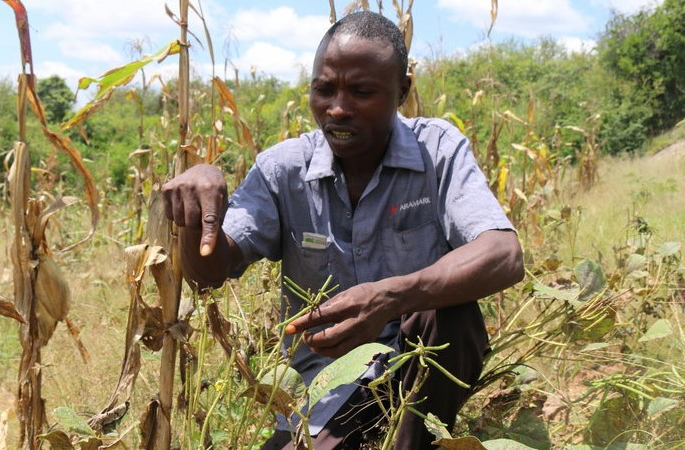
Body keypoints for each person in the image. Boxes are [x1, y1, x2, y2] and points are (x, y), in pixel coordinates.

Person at [161, 10, 524, 450]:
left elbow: (504, 253)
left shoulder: (438, 152)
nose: (337, 108)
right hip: (321, 391)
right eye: (324, 89)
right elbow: (208, 275)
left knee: (449, 310)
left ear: (402, 91)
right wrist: (199, 209)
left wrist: (391, 296)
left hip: (416, 372)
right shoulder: (283, 170)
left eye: (362, 91)